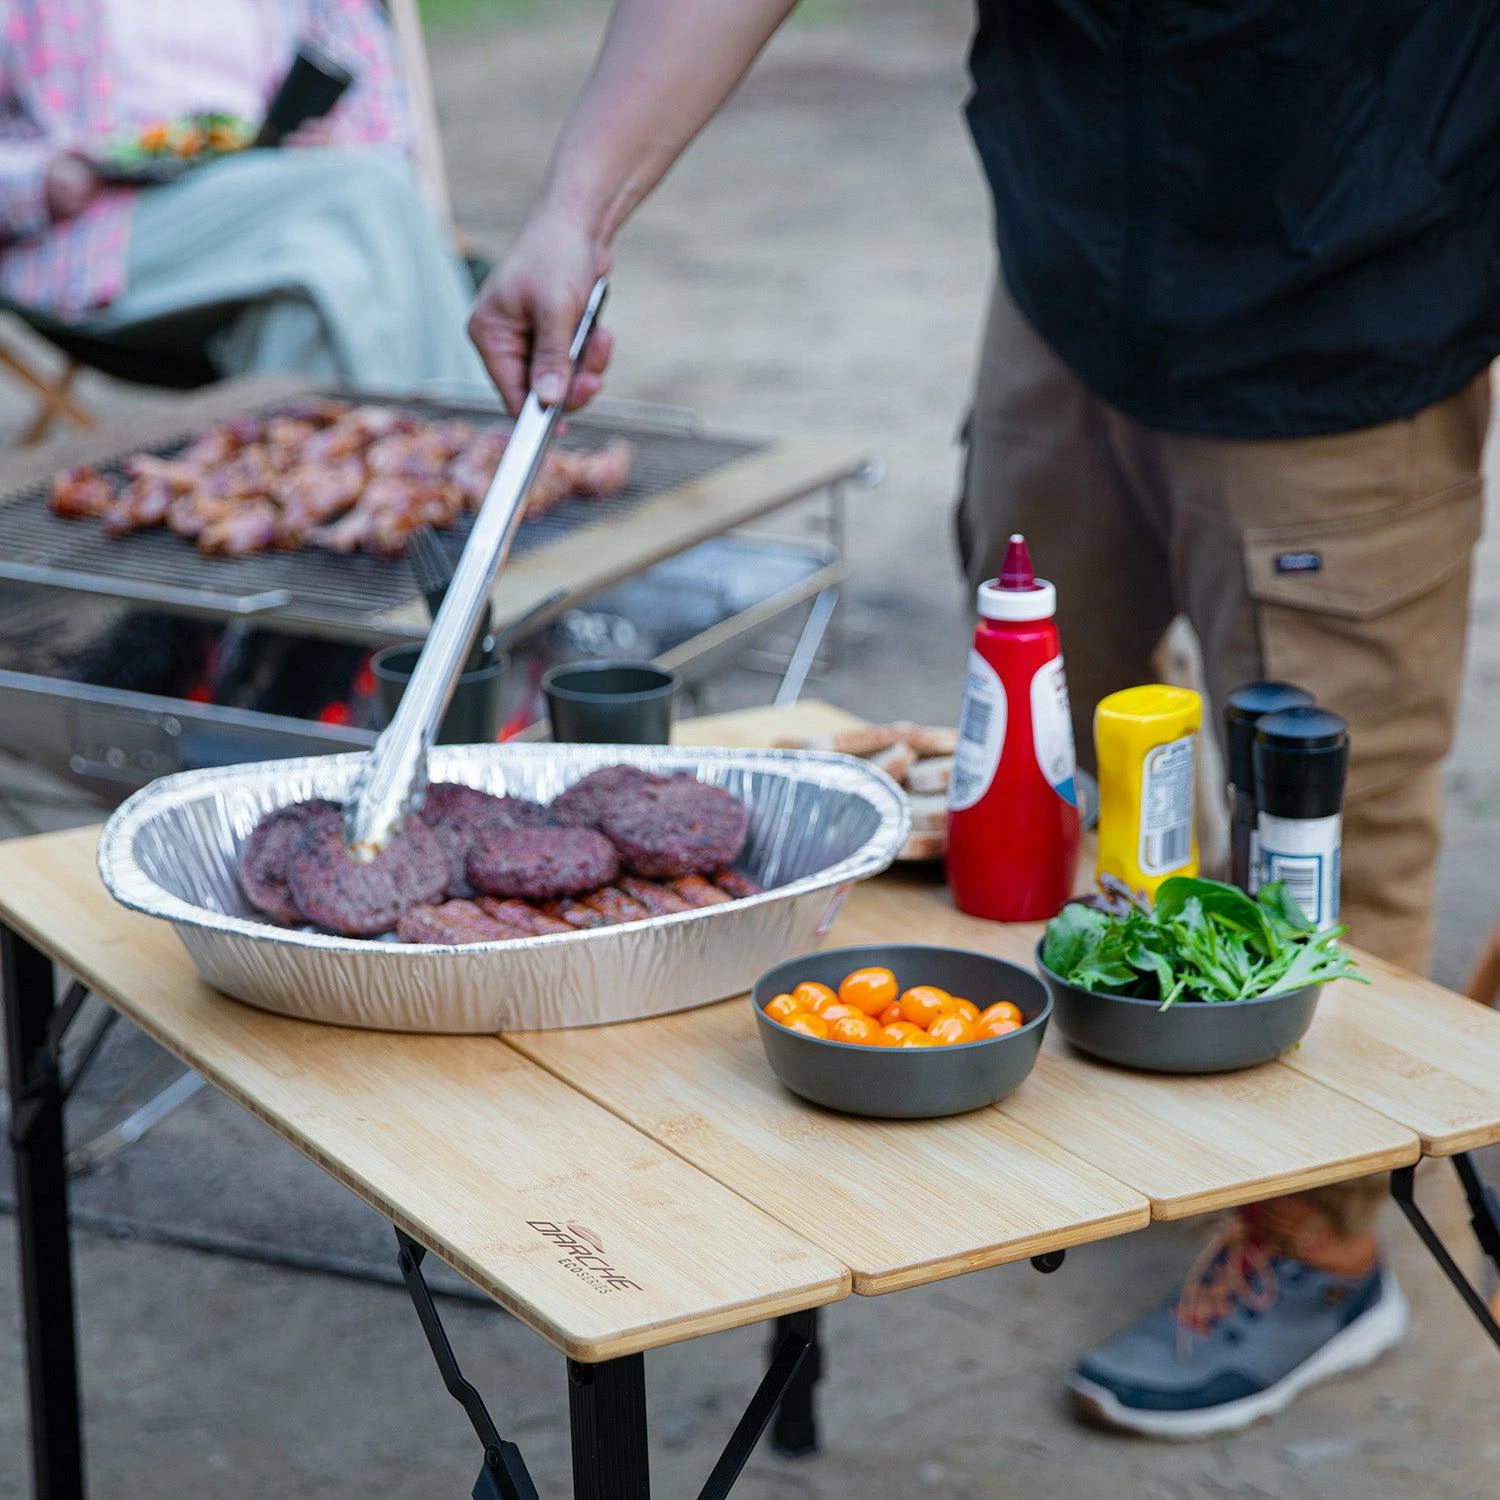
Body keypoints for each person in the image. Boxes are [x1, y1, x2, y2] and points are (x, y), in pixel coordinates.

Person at [466, 1, 1499, 1438]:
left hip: (1353, 299)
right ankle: (1123, 1108)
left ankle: (1320, 1239)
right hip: (1070, 277)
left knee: (1316, 813)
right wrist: (575, 205)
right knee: (1030, 766)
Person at [0, 0, 488, 394]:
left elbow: (377, 101)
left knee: (309, 300)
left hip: (284, 201)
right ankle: (481, 455)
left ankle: (311, 503)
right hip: (104, 229)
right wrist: (40, 179)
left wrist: (340, 137)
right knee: (370, 185)